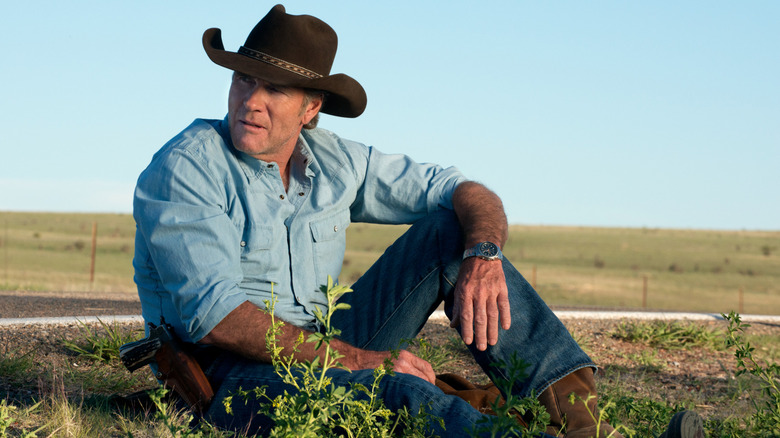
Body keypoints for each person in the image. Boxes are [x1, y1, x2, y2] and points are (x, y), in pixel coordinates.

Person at [133, 5, 705, 438]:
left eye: (274, 88)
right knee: (397, 394)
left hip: (322, 343)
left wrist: (483, 256)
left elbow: (461, 190)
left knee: (452, 233)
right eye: (243, 79)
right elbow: (218, 320)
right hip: (226, 375)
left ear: (311, 108)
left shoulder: (335, 160)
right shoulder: (187, 168)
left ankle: (582, 424)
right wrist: (365, 362)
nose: (250, 100)